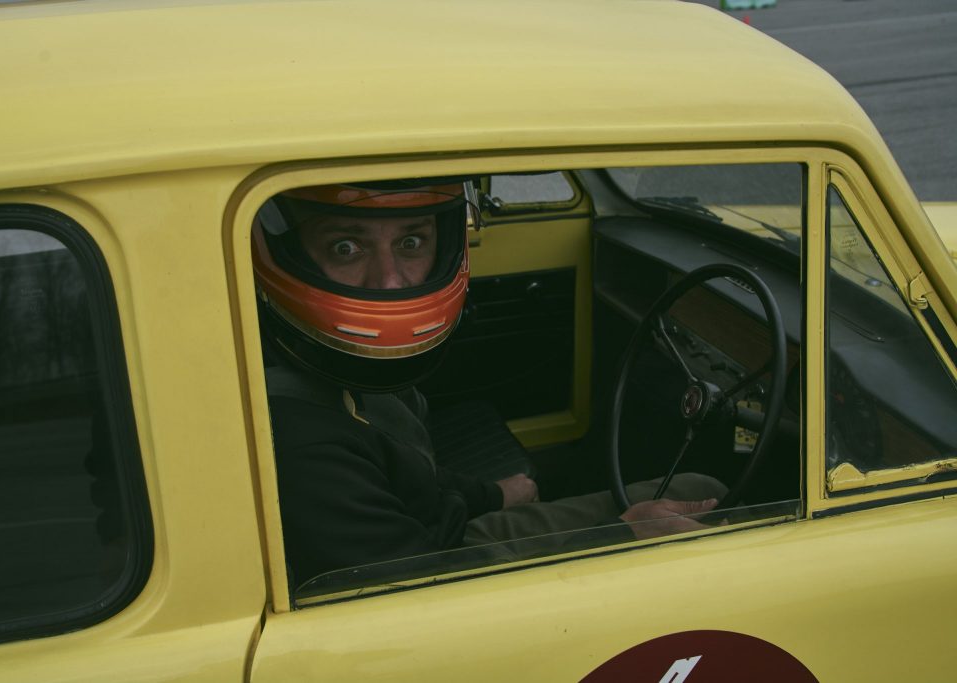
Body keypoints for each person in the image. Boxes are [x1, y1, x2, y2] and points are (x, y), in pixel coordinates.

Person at [251, 180, 725, 587]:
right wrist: (618, 538)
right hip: (447, 566)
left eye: (411, 243)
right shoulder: (303, 444)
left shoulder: (336, 364)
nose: (390, 281)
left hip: (439, 529)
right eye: (346, 248)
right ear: (293, 255)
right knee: (705, 493)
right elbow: (417, 597)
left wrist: (491, 495)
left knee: (698, 489)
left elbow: (409, 473)